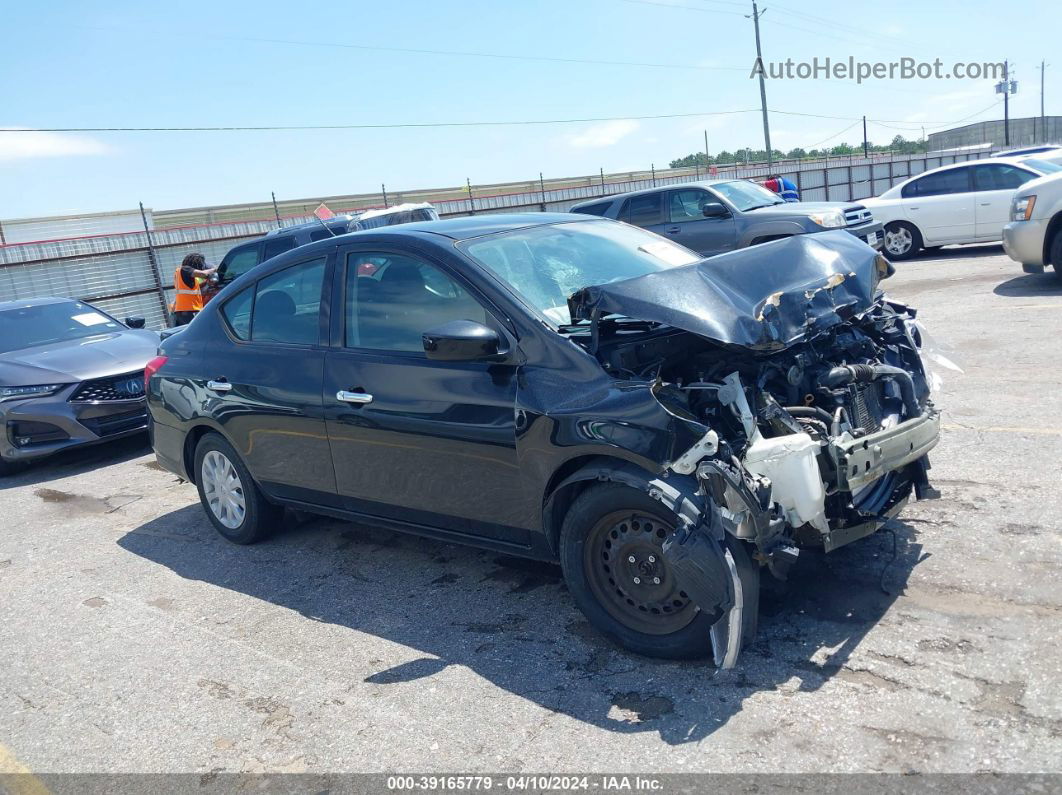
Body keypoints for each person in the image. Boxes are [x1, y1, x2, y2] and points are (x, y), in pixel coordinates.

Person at [172, 252, 218, 326]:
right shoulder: (185, 269)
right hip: (189, 310)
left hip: (183, 311)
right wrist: (215, 269)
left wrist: (206, 283)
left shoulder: (181, 273)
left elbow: (195, 290)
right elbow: (204, 274)